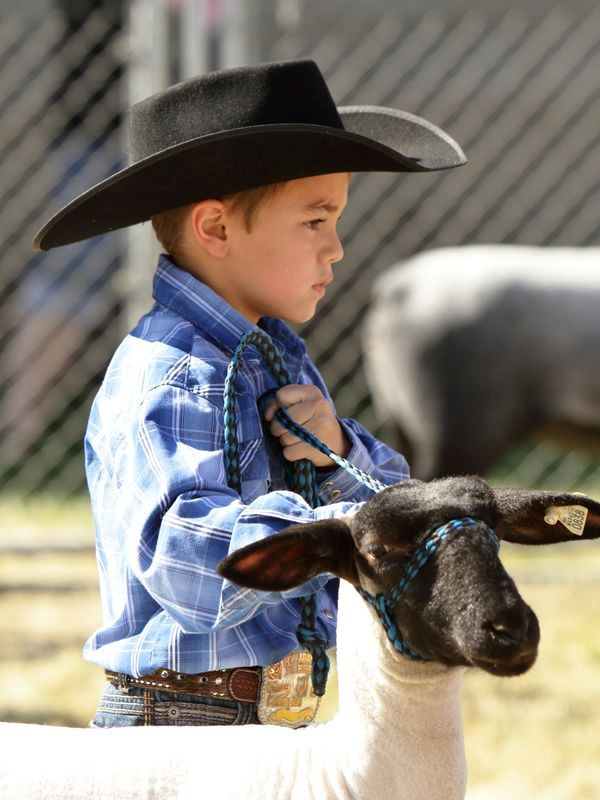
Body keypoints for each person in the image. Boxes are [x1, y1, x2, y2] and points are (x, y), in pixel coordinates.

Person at [34, 59, 466, 728]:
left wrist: (337, 452)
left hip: (261, 714)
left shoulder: (274, 357)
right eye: (315, 221)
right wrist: (328, 534)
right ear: (216, 230)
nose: (338, 249)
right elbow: (186, 562)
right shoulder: (175, 371)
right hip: (180, 718)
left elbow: (383, 501)